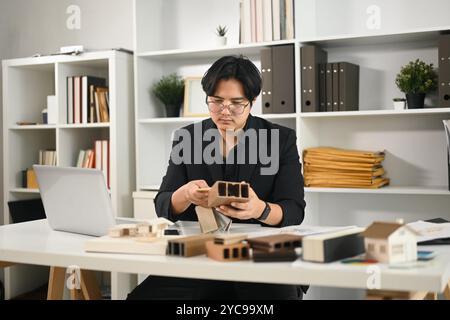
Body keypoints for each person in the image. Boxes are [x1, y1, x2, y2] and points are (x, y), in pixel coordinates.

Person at [127, 55, 306, 300]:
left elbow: (294, 210)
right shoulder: (187, 138)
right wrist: (186, 195)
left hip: (260, 259)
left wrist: (259, 209)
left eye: (236, 103)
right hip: (200, 257)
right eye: (216, 102)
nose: (225, 112)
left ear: (252, 102)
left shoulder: (280, 139)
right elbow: (163, 203)